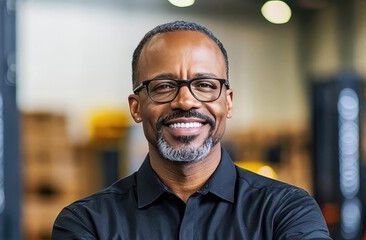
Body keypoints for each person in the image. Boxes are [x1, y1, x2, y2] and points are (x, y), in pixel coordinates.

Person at [52, 20, 330, 239]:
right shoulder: (88, 223)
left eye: (205, 85)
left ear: (228, 102)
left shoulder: (286, 212)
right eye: (163, 86)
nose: (185, 100)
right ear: (136, 107)